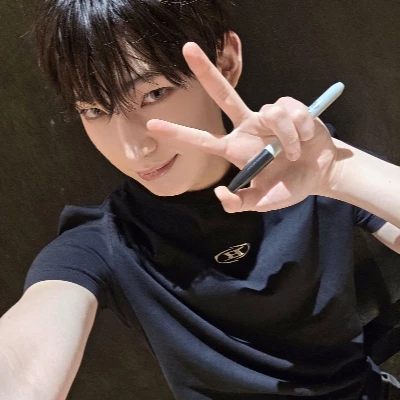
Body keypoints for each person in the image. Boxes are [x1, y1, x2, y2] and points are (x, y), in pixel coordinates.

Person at [0, 0, 400, 399]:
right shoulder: (102, 245)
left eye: (154, 92)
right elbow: (25, 356)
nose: (132, 149)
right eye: (94, 109)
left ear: (225, 63)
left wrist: (339, 176)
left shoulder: (307, 168)